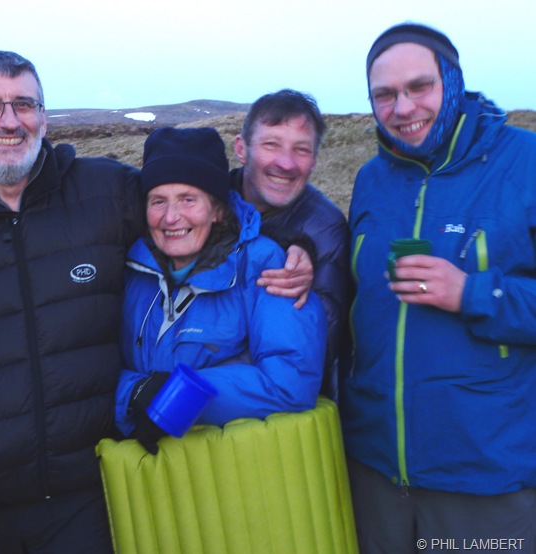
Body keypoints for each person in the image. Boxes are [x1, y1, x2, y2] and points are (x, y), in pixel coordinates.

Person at [0, 51, 315, 552]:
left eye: (24, 104)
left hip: (88, 499)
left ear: (43, 117)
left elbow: (201, 201)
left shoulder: (104, 191)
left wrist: (297, 242)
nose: (9, 121)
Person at [342, 22, 536, 552]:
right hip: (375, 471)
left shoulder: (526, 162)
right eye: (384, 94)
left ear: (452, 81)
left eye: (419, 87)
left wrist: (472, 293)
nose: (403, 108)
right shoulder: (371, 179)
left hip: (485, 477)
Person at [115, 126, 327, 454]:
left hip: (236, 467)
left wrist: (176, 398)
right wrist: (133, 393)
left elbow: (291, 381)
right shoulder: (129, 269)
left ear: (217, 209)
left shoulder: (267, 265)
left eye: (188, 199)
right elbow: (94, 366)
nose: (171, 217)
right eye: (158, 201)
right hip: (155, 475)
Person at [232, 89, 352, 398]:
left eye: (301, 149)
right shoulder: (206, 203)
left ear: (314, 161)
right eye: (271, 144)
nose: (286, 163)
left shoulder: (324, 230)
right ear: (242, 149)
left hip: (274, 410)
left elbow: (316, 352)